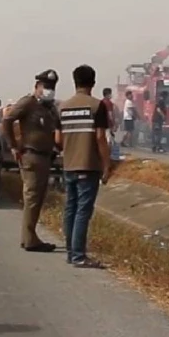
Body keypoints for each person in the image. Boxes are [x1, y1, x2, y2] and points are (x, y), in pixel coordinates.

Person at [2, 70, 62, 253]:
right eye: (45, 87)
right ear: (37, 87)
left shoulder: (49, 107)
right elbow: (7, 120)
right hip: (31, 155)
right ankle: (30, 239)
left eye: (52, 87)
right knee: (32, 198)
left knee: (38, 198)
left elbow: (58, 128)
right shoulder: (28, 102)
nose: (49, 91)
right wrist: (13, 146)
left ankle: (29, 236)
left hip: (45, 157)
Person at [59, 65, 113, 267]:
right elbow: (100, 138)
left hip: (68, 164)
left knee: (70, 208)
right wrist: (107, 165)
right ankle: (79, 256)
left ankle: (70, 252)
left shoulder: (62, 106)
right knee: (83, 211)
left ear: (75, 82)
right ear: (93, 82)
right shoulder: (97, 106)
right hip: (88, 165)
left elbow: (58, 138)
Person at [101, 88, 121, 162]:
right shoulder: (109, 103)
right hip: (108, 124)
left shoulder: (101, 102)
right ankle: (107, 157)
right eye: (110, 94)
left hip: (102, 125)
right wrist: (113, 124)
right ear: (108, 94)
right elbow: (110, 114)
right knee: (109, 141)